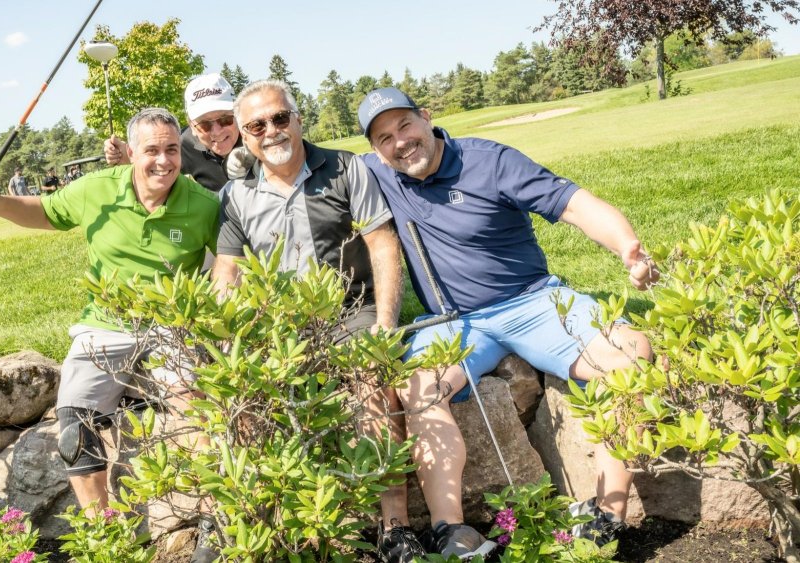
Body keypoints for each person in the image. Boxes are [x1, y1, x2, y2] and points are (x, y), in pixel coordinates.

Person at [356, 87, 659, 559]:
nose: (400, 143)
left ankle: (607, 516)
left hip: (532, 302)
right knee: (418, 389)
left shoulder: (490, 161)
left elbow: (575, 204)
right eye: (384, 138)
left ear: (427, 117)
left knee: (629, 354)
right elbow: (300, 161)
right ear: (375, 150)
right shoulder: (378, 173)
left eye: (405, 126)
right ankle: (450, 532)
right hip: (451, 322)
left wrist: (627, 247)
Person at [0, 109, 220, 539]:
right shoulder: (97, 189)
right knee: (74, 428)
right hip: (104, 325)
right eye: (152, 150)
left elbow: (229, 265)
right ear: (132, 152)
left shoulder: (203, 205)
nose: (164, 161)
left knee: (196, 415)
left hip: (170, 325)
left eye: (172, 149)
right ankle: (106, 537)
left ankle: (216, 526)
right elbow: (45, 212)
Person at [209, 79, 423, 563]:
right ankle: (263, 532)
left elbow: (382, 243)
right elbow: (228, 270)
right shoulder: (236, 193)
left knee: (373, 379)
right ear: (244, 136)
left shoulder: (345, 167)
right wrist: (227, 341)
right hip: (278, 325)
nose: (272, 131)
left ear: (299, 119)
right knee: (243, 397)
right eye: (257, 125)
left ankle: (395, 527)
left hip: (350, 311)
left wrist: (383, 325)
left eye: (280, 118)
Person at [104, 73, 243, 192]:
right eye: (204, 125)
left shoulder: (258, 136)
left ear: (238, 114)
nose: (217, 131)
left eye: (225, 119)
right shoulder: (179, 147)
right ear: (192, 126)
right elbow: (153, 172)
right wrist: (130, 159)